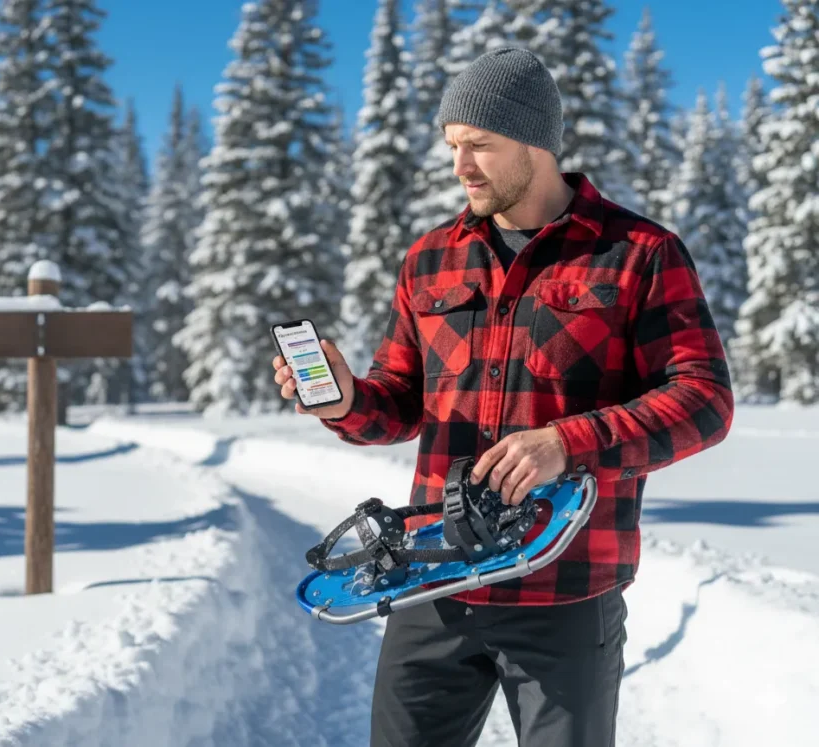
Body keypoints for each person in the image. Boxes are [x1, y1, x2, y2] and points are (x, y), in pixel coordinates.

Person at [272, 46, 733, 747]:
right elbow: (397, 402)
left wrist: (567, 443)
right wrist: (342, 402)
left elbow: (704, 400)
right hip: (432, 580)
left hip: (566, 587)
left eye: (479, 145)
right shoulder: (432, 257)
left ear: (536, 143)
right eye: (454, 145)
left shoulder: (638, 252)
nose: (460, 165)